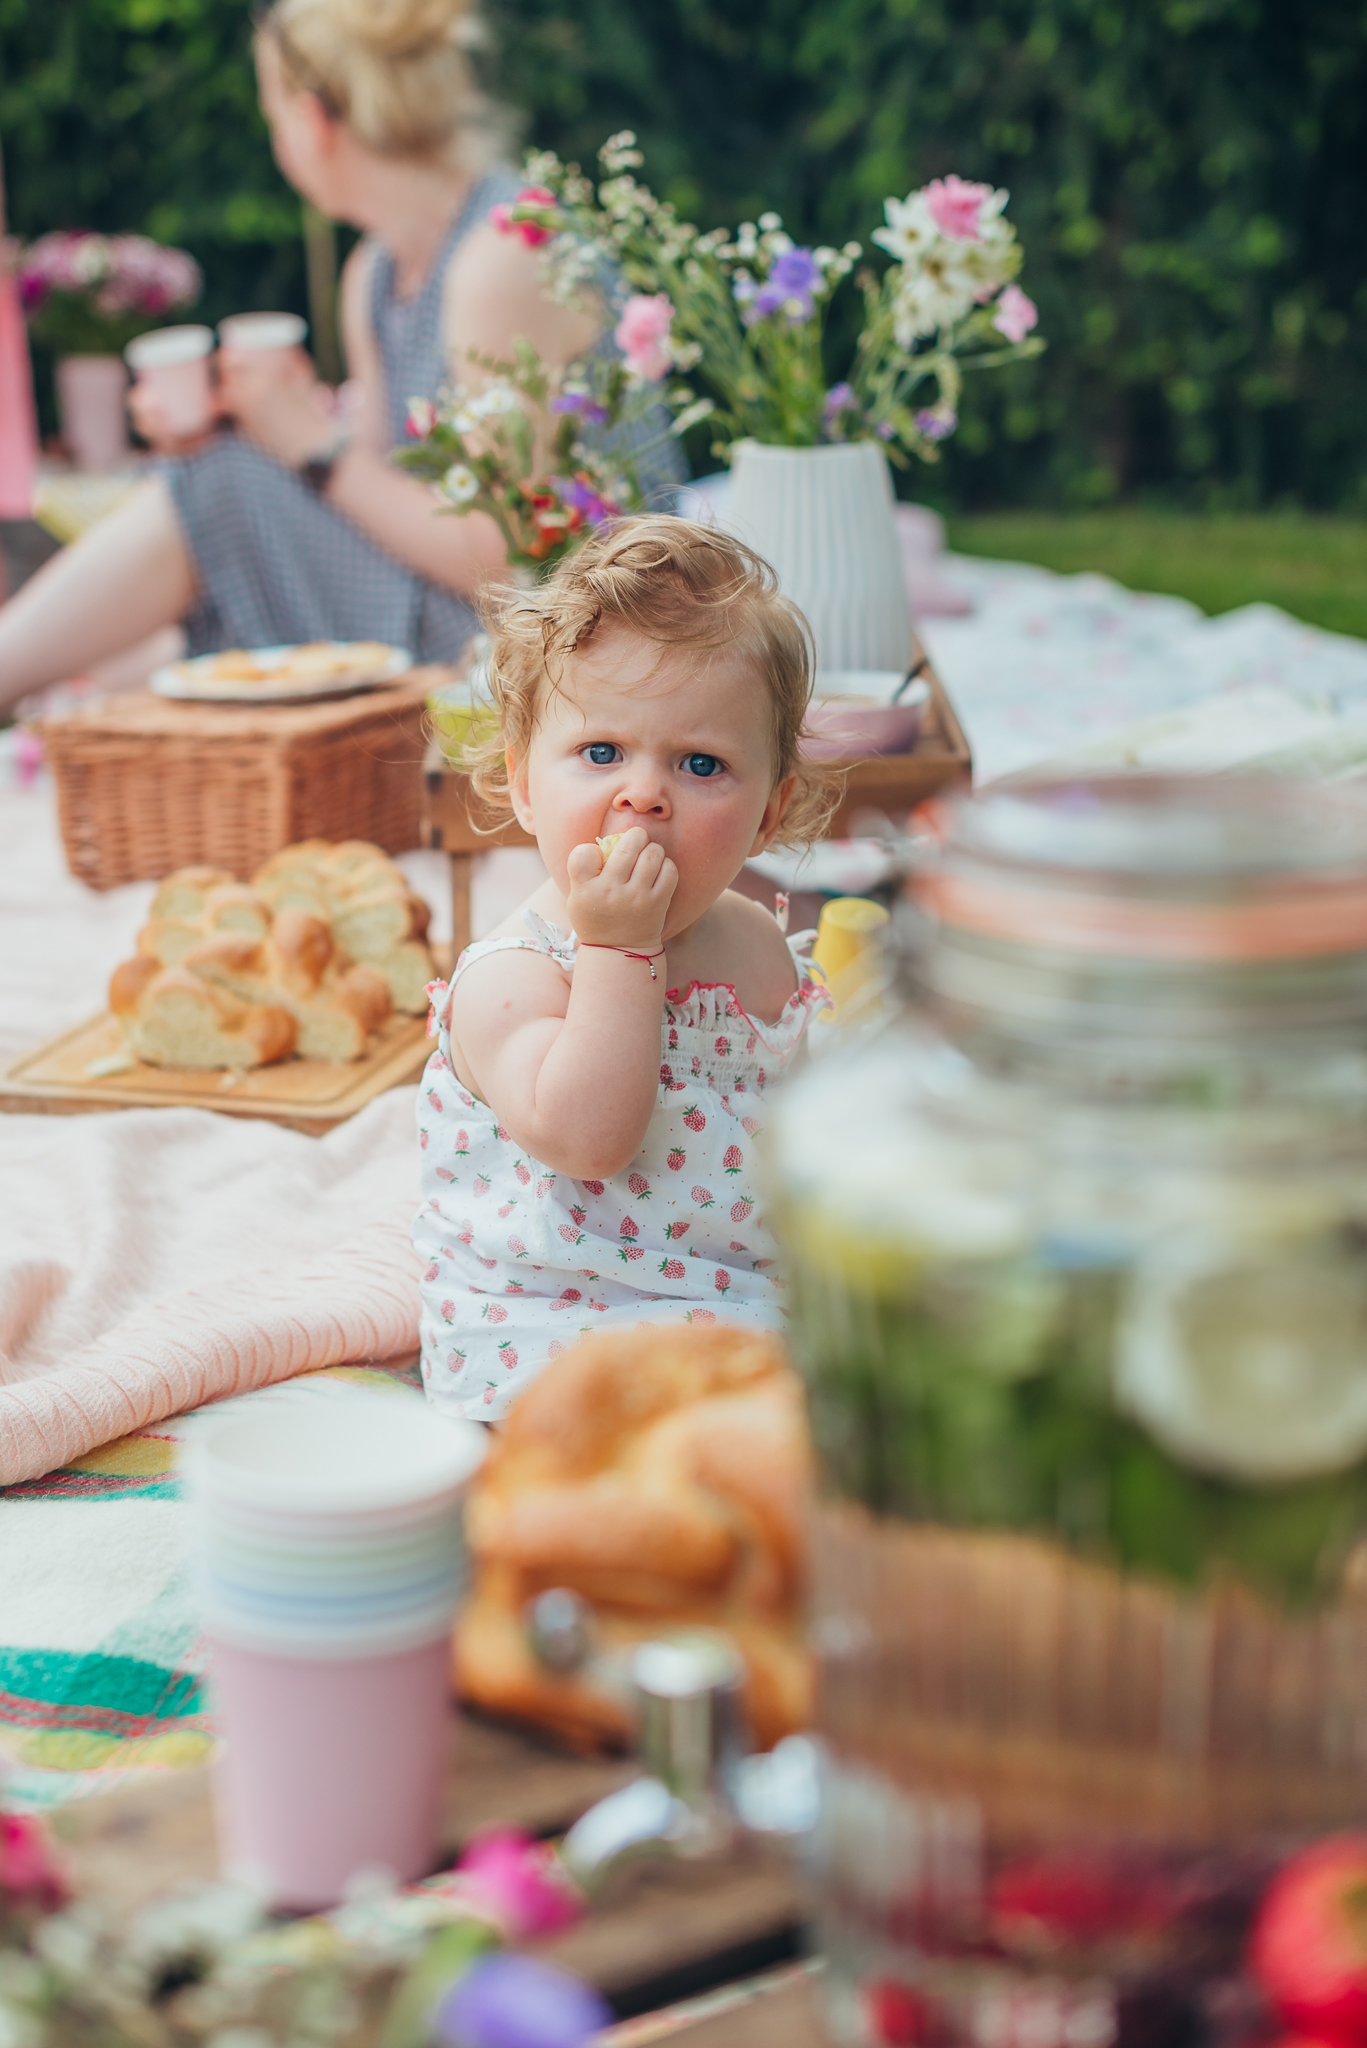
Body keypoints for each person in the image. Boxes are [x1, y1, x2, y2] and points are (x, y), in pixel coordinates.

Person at [0, 0, 611, 708]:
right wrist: (254, 426)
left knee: (219, 484)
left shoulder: (499, 258)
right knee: (170, 596)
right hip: (440, 605)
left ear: (314, 120)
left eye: (274, 119)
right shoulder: (377, 273)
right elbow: (380, 498)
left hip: (552, 627)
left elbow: (501, 554)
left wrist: (307, 445)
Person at [412, 515, 835, 1420]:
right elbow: (589, 1139)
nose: (643, 793)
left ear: (770, 812)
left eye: (700, 763)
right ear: (524, 782)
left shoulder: (757, 945)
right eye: (601, 753)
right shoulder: (513, 979)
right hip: (551, 1331)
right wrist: (616, 951)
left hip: (745, 1308)